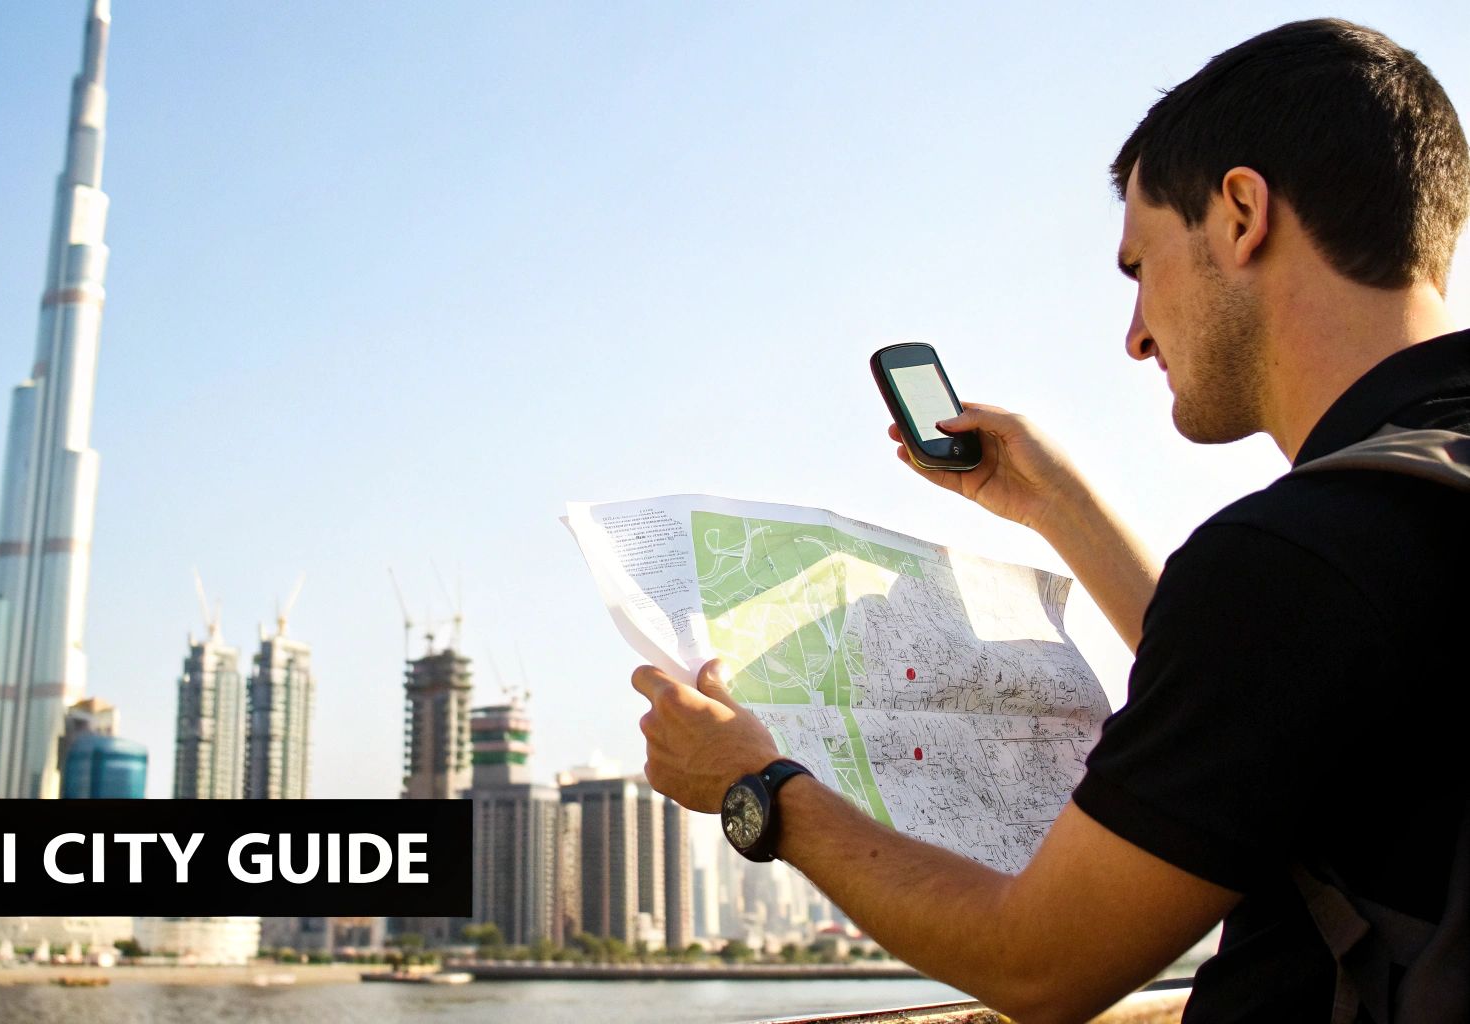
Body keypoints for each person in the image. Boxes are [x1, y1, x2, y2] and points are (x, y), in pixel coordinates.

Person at [629, 19, 1469, 1024]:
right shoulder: (1368, 538)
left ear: (1241, 213)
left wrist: (759, 787)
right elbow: (1287, 679)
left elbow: (1038, 964)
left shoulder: (1294, 560)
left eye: (1139, 266)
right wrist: (1058, 507)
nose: (1133, 335)